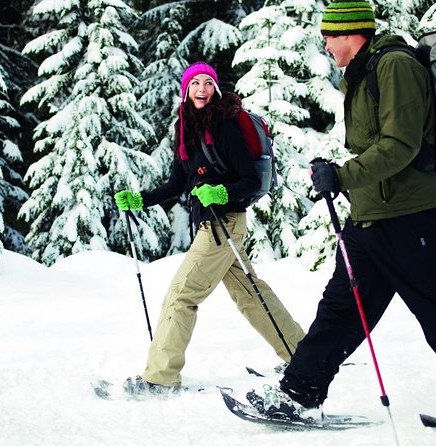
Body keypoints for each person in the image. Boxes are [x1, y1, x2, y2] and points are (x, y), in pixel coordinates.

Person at [247, 0, 436, 432]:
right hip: (372, 214)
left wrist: (342, 174)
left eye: (330, 35)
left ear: (352, 33)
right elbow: (377, 144)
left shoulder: (394, 67)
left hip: (411, 215)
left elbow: (400, 144)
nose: (325, 43)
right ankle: (299, 394)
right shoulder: (364, 73)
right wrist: (337, 171)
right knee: (341, 308)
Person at [114, 62, 305, 395]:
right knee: (250, 295)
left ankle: (160, 378)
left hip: (223, 224)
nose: (201, 89)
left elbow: (249, 180)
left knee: (181, 295)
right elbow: (179, 182)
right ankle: (303, 355)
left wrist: (221, 193)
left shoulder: (226, 126)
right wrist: (141, 200)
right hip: (216, 226)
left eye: (207, 83)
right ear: (186, 91)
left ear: (215, 89)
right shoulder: (185, 128)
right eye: (195, 84)